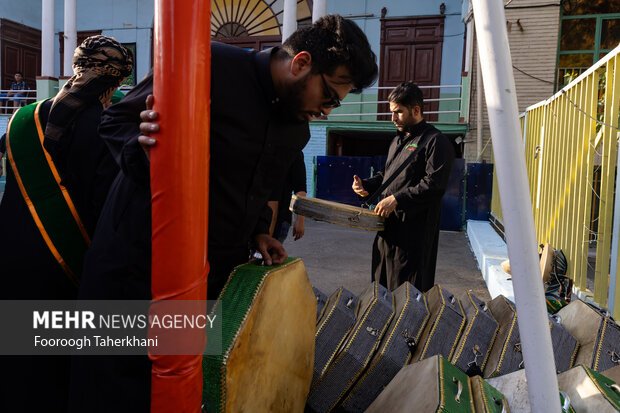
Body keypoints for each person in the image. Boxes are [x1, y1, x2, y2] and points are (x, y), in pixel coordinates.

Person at [69, 14, 377, 412]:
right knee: (114, 387)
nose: (328, 111)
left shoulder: (295, 127)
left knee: (188, 388)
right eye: (331, 97)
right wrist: (142, 144)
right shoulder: (205, 64)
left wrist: (259, 233)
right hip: (136, 265)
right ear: (301, 63)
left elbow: (259, 186)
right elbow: (115, 121)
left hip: (210, 282)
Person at [0, 36, 132, 412]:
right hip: (69, 267)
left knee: (17, 369)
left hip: (12, 257)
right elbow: (109, 206)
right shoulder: (109, 126)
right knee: (59, 371)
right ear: (116, 81)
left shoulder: (25, 118)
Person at [352, 81, 455, 293]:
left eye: (398, 112)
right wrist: (366, 186)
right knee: (380, 290)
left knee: (406, 296)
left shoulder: (436, 141)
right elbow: (386, 176)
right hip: (386, 230)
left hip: (413, 237)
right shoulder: (397, 141)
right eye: (392, 112)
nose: (393, 118)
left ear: (416, 110)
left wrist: (397, 199)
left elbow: (434, 185)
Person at [268, 151, 307, 243]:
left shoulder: (294, 152)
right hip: (255, 218)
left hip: (280, 217)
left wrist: (300, 220)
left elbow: (300, 189)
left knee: (270, 254)